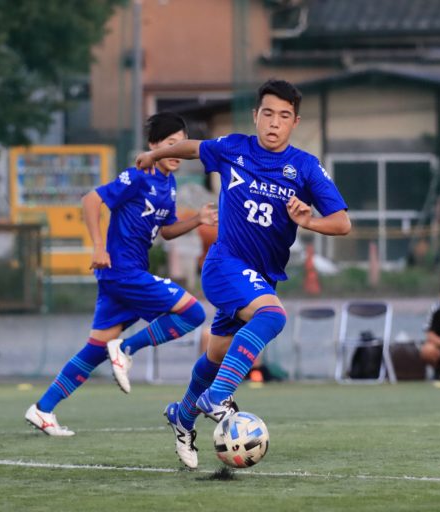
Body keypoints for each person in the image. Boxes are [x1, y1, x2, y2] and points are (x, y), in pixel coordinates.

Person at [136, 79, 350, 468]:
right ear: (255, 116)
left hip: (259, 279)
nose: (274, 122)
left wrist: (309, 222)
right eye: (267, 113)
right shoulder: (234, 147)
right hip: (224, 265)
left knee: (216, 355)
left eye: (283, 116)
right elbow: (193, 148)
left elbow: (342, 222)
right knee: (273, 315)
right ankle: (219, 397)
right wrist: (156, 154)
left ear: (295, 122)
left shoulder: (304, 167)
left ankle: (183, 417)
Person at [25, 112, 215, 436]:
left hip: (125, 275)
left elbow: (167, 231)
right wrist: (98, 247)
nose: (177, 152)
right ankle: (127, 349)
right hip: (123, 271)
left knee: (96, 349)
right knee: (193, 313)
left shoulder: (168, 185)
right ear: (153, 145)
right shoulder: (139, 175)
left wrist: (197, 219)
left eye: (181, 145)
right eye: (170, 144)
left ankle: (43, 409)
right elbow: (91, 200)